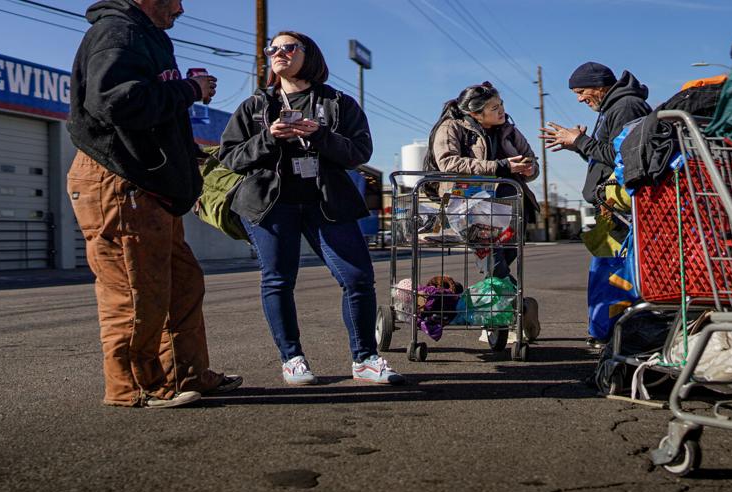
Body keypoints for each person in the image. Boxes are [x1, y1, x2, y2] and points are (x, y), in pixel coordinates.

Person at [65, 0, 241, 408]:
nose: (180, 8)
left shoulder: (149, 38)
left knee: (181, 284)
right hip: (121, 182)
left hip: (150, 188)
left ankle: (186, 374)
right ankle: (133, 387)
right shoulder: (118, 33)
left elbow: (152, 114)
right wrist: (189, 90)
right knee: (134, 292)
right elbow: (115, 103)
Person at [217, 30, 402, 386]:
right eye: (273, 48)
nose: (278, 52)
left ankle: (365, 358)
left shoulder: (338, 103)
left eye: (288, 47)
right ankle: (292, 359)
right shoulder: (256, 105)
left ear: (309, 54)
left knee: (358, 278)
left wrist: (319, 134)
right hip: (271, 204)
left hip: (327, 202)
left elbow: (359, 152)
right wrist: (269, 137)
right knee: (278, 280)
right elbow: (229, 156)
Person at [539, 62, 650, 349]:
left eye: (581, 91)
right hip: (611, 210)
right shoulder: (613, 108)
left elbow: (628, 159)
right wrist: (579, 145)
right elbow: (608, 159)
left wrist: (581, 141)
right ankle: (604, 332)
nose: (579, 98)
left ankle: (613, 334)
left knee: (614, 277)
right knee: (605, 274)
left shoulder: (626, 107)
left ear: (600, 86)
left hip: (622, 211)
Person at [428, 83, 541, 344]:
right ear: (475, 113)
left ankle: (508, 310)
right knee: (492, 260)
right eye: (494, 107)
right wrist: (500, 166)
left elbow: (531, 161)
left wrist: (528, 169)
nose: (501, 111)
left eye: (501, 105)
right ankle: (512, 312)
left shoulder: (509, 130)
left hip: (511, 203)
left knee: (503, 258)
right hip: (470, 205)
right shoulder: (452, 127)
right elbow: (448, 162)